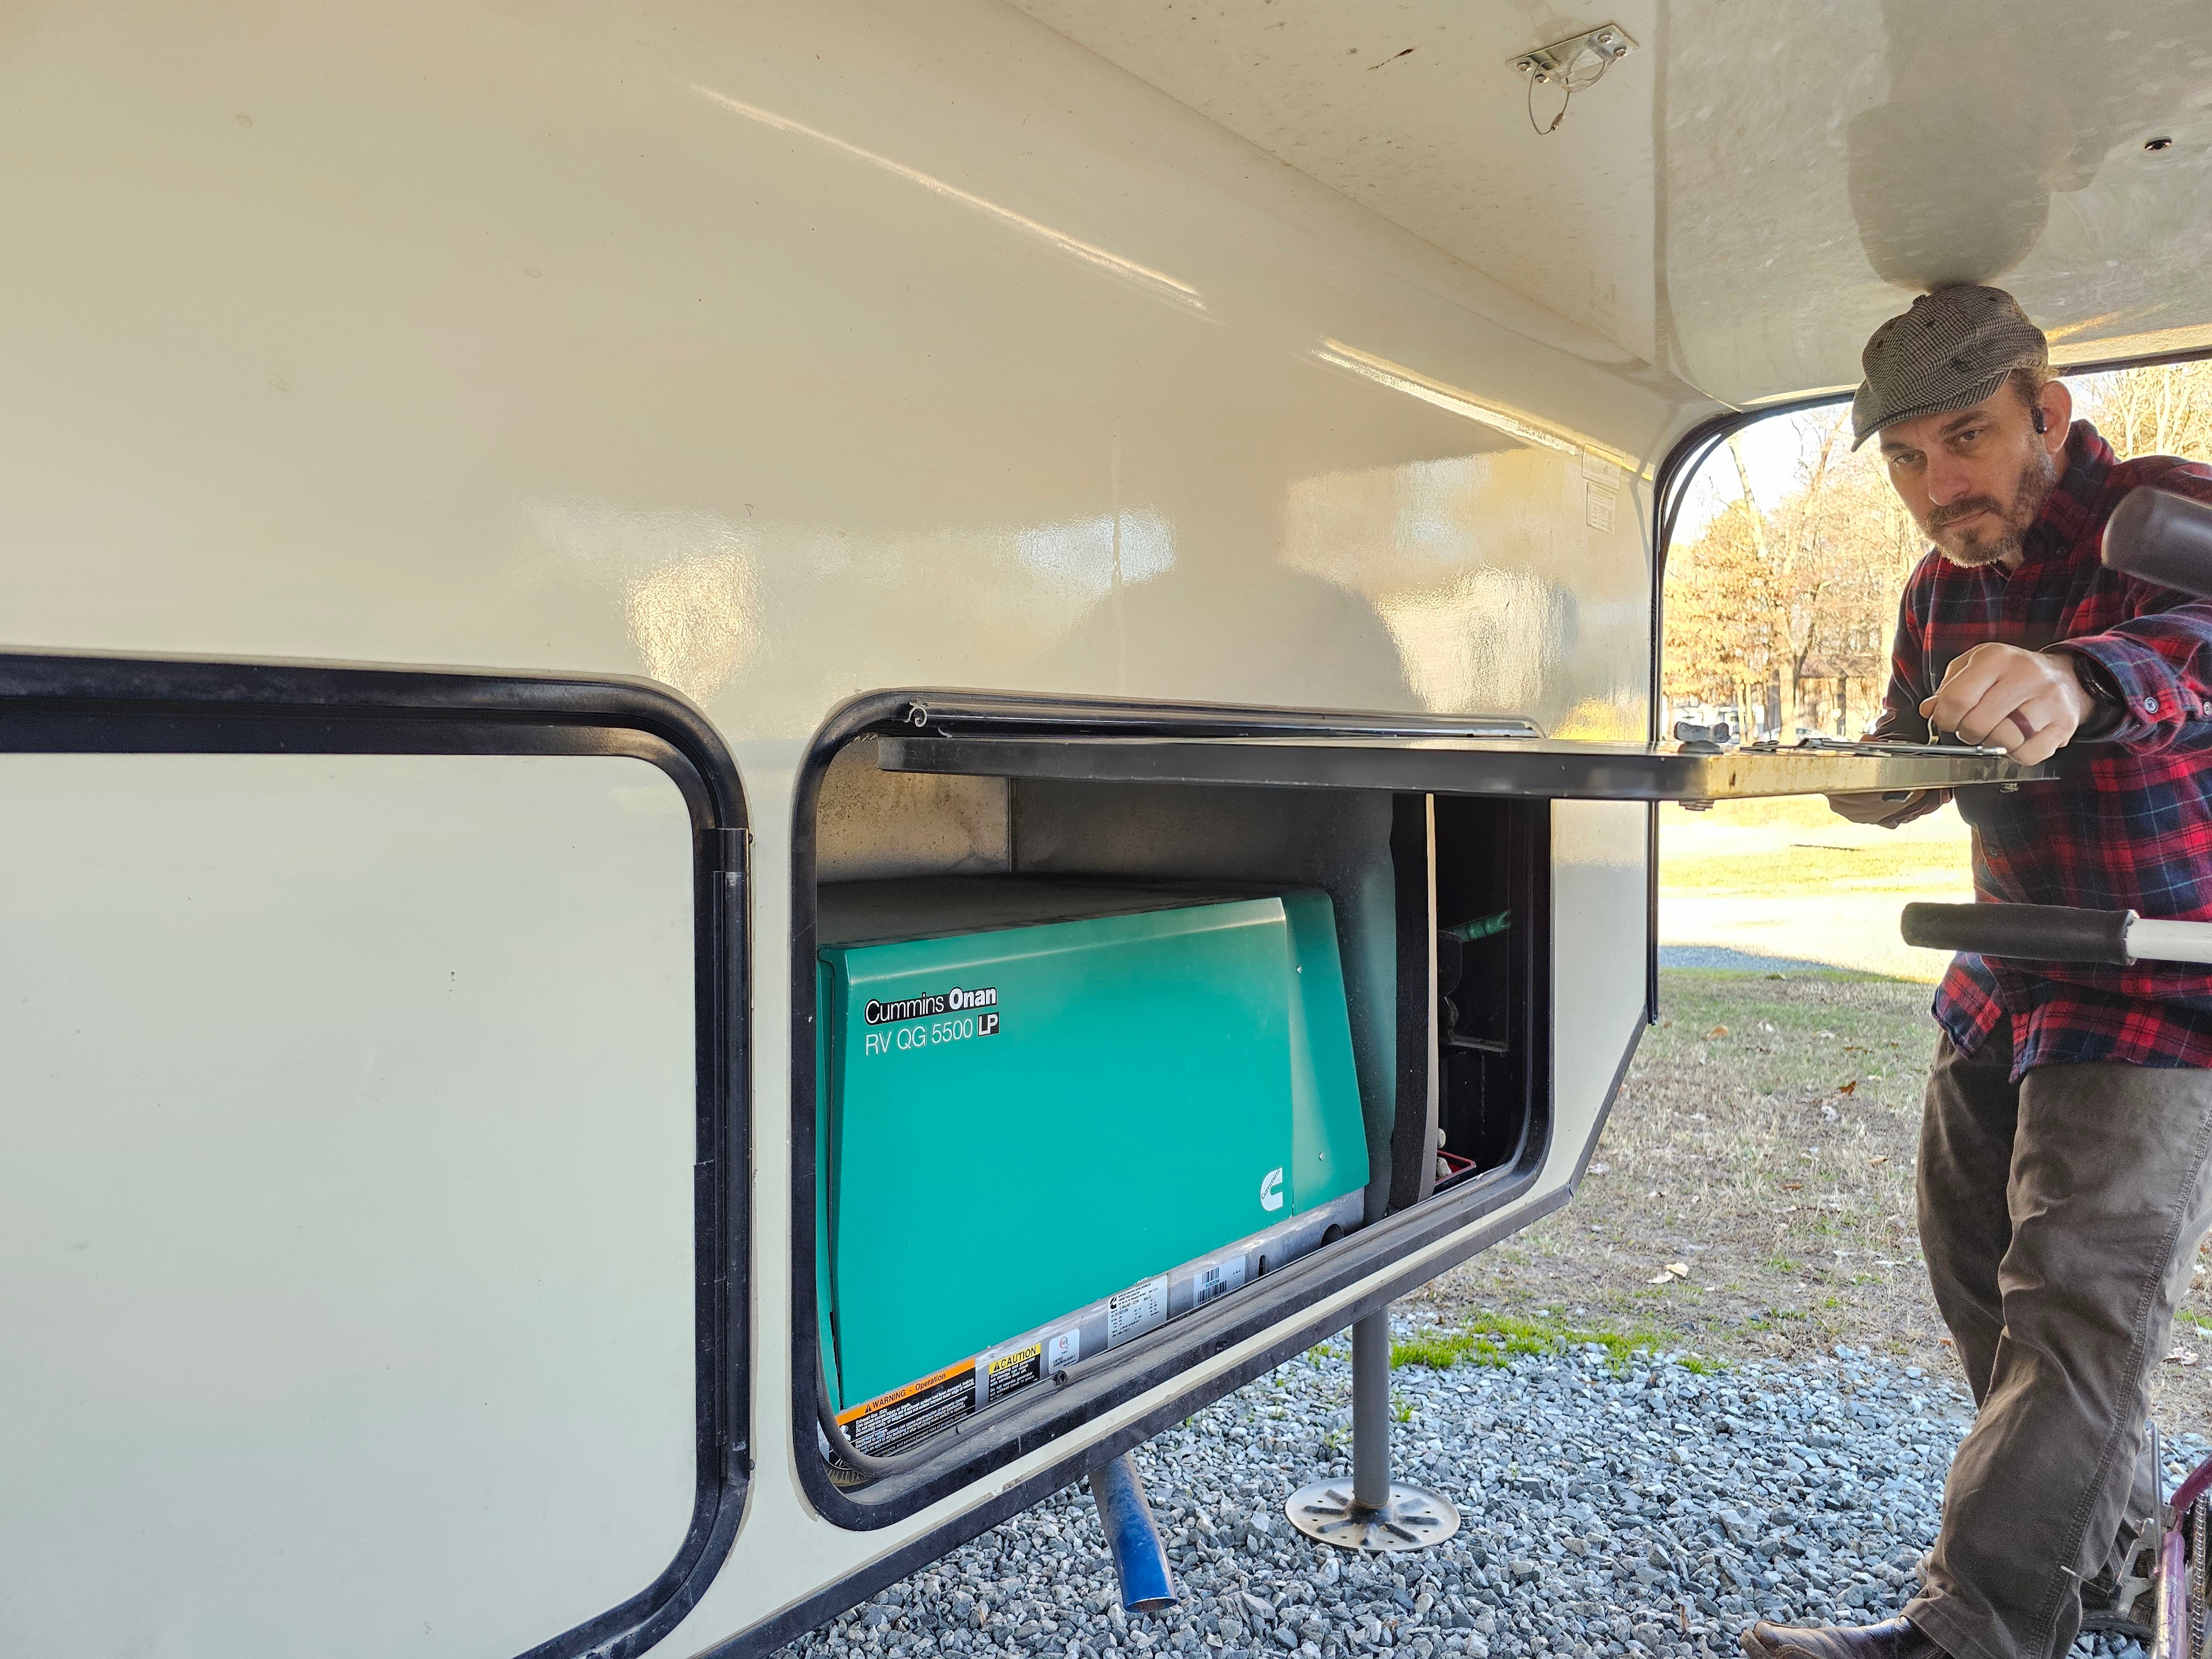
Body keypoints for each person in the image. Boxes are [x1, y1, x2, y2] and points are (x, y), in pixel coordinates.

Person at [1741, 285, 2212, 1659]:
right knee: (1975, 1274)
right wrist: (1871, 783)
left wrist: (2080, 678)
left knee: (2074, 1304)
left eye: (1964, 437)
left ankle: (1975, 1631)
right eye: (1901, 458)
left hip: (2155, 989)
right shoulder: (1934, 587)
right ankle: (2121, 1562)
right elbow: (1911, 741)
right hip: (2003, 982)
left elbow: (2192, 655)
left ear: (2045, 413)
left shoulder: (2162, 513)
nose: (1936, 485)